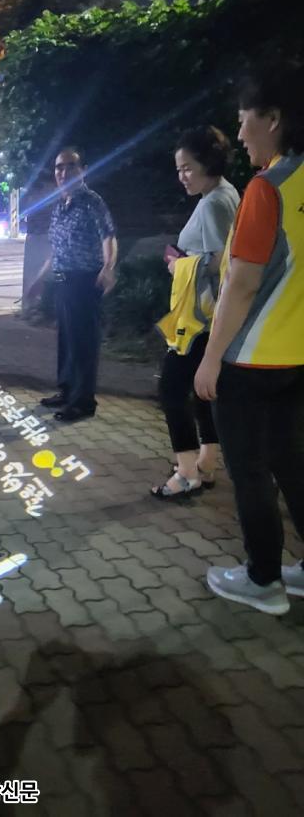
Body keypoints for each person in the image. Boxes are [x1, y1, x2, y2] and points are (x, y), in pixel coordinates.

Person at [194, 62, 304, 615]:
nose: (239, 134)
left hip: (250, 359)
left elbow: (241, 285)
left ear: (273, 118)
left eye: (244, 119)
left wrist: (211, 359)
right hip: (298, 359)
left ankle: (263, 581)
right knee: (294, 464)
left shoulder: (268, 189)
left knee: (251, 472)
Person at [151, 127, 239, 498]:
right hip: (211, 317)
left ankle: (186, 474)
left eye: (188, 167)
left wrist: (180, 266)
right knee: (202, 392)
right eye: (179, 169)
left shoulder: (214, 202)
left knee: (171, 389)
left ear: (208, 162)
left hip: (200, 320)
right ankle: (206, 463)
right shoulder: (226, 192)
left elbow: (224, 262)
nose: (182, 176)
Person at [30, 148, 117, 423]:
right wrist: (39, 279)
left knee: (84, 343)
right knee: (66, 340)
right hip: (63, 281)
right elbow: (56, 249)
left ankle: (83, 402)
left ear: (83, 170)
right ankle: (67, 391)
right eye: (59, 167)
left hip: (85, 280)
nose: (63, 172)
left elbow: (108, 236)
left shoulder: (92, 201)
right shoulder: (60, 206)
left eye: (70, 166)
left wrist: (108, 266)